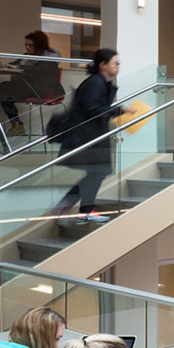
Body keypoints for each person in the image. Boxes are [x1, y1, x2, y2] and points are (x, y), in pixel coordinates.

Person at [54, 48, 123, 223]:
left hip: (93, 136)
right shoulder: (95, 83)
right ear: (103, 65)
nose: (118, 66)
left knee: (97, 172)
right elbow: (92, 109)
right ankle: (72, 205)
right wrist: (119, 109)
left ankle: (82, 209)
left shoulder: (100, 82)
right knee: (98, 172)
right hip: (88, 137)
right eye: (115, 63)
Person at [0, 30, 62, 136]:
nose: (27, 47)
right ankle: (17, 124)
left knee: (5, 86)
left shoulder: (49, 59)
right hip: (29, 88)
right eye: (26, 45)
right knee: (5, 96)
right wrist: (8, 65)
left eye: (30, 45)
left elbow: (38, 69)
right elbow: (15, 63)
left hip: (43, 90)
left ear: (39, 45)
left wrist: (19, 67)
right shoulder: (26, 56)